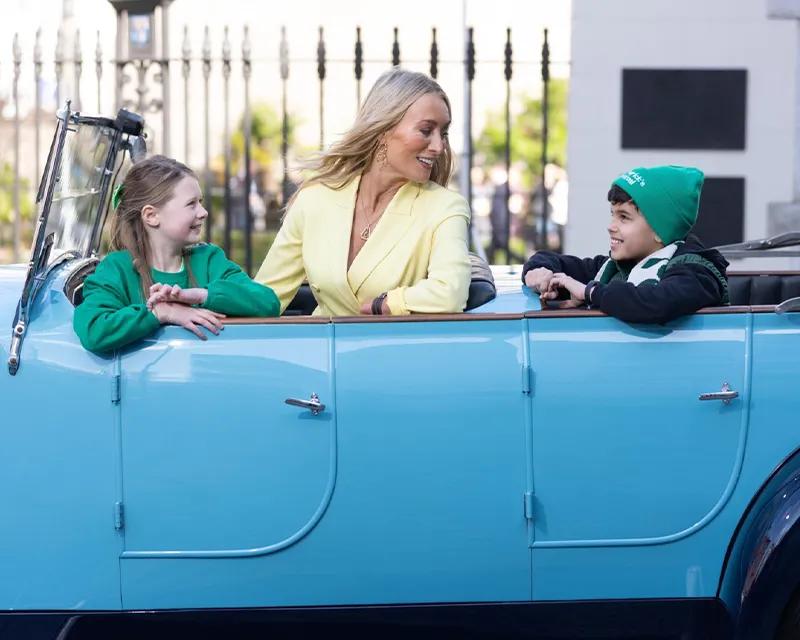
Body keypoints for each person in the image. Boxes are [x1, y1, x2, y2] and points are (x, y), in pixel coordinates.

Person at [254, 68, 472, 317]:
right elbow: (265, 295)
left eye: (443, 134)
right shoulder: (314, 198)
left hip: (397, 351)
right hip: (324, 351)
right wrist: (205, 303)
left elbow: (450, 292)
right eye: (425, 131)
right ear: (383, 131)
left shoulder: (446, 207)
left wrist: (387, 304)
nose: (439, 146)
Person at [73, 155, 280, 353]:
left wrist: (202, 295)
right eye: (191, 204)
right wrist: (162, 312)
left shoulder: (209, 260)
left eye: (201, 201)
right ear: (151, 215)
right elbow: (93, 329)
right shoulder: (116, 268)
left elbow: (268, 303)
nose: (203, 212)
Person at [522, 165, 729, 324]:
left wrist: (589, 293)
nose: (611, 227)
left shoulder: (697, 275)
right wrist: (539, 273)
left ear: (659, 231)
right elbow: (553, 260)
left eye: (624, 217)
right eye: (612, 215)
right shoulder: (620, 266)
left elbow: (655, 303)